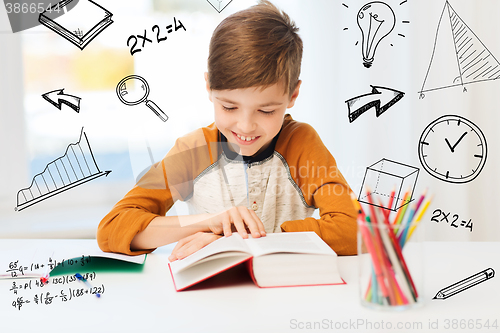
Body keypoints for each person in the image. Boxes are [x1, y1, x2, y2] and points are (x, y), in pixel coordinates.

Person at [97, 0, 357, 260]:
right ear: (209, 87)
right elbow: (113, 228)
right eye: (229, 107)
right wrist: (209, 222)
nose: (245, 126)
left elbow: (354, 230)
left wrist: (239, 241)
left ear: (293, 95)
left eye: (266, 111)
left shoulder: (302, 144)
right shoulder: (193, 150)